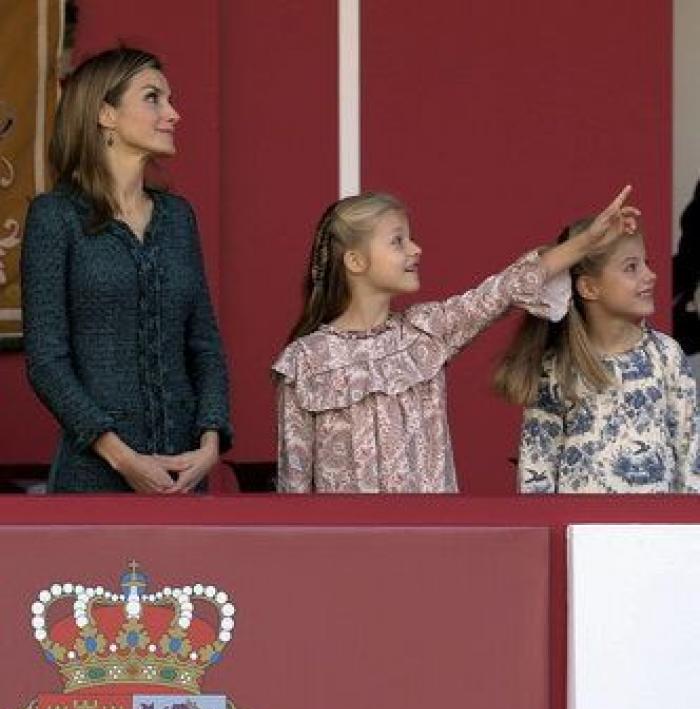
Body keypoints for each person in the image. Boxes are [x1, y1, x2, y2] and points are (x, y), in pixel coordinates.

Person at [272, 187, 638, 493]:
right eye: (398, 241)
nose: (416, 249)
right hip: (345, 558)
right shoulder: (305, 361)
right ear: (354, 261)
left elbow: (505, 288)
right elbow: (294, 485)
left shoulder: (427, 331)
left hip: (433, 548)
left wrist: (587, 242)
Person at [21, 47, 231, 493]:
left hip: (184, 472)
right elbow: (46, 361)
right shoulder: (55, 216)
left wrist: (210, 442)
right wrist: (120, 456)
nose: (173, 113)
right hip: (92, 476)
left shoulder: (177, 217)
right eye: (153, 98)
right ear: (105, 114)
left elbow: (204, 345)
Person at [494, 217, 700, 493]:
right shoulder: (558, 367)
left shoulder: (668, 356)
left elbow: (691, 456)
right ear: (589, 288)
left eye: (646, 263)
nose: (650, 275)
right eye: (631, 267)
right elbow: (537, 467)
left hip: (656, 535)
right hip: (582, 534)